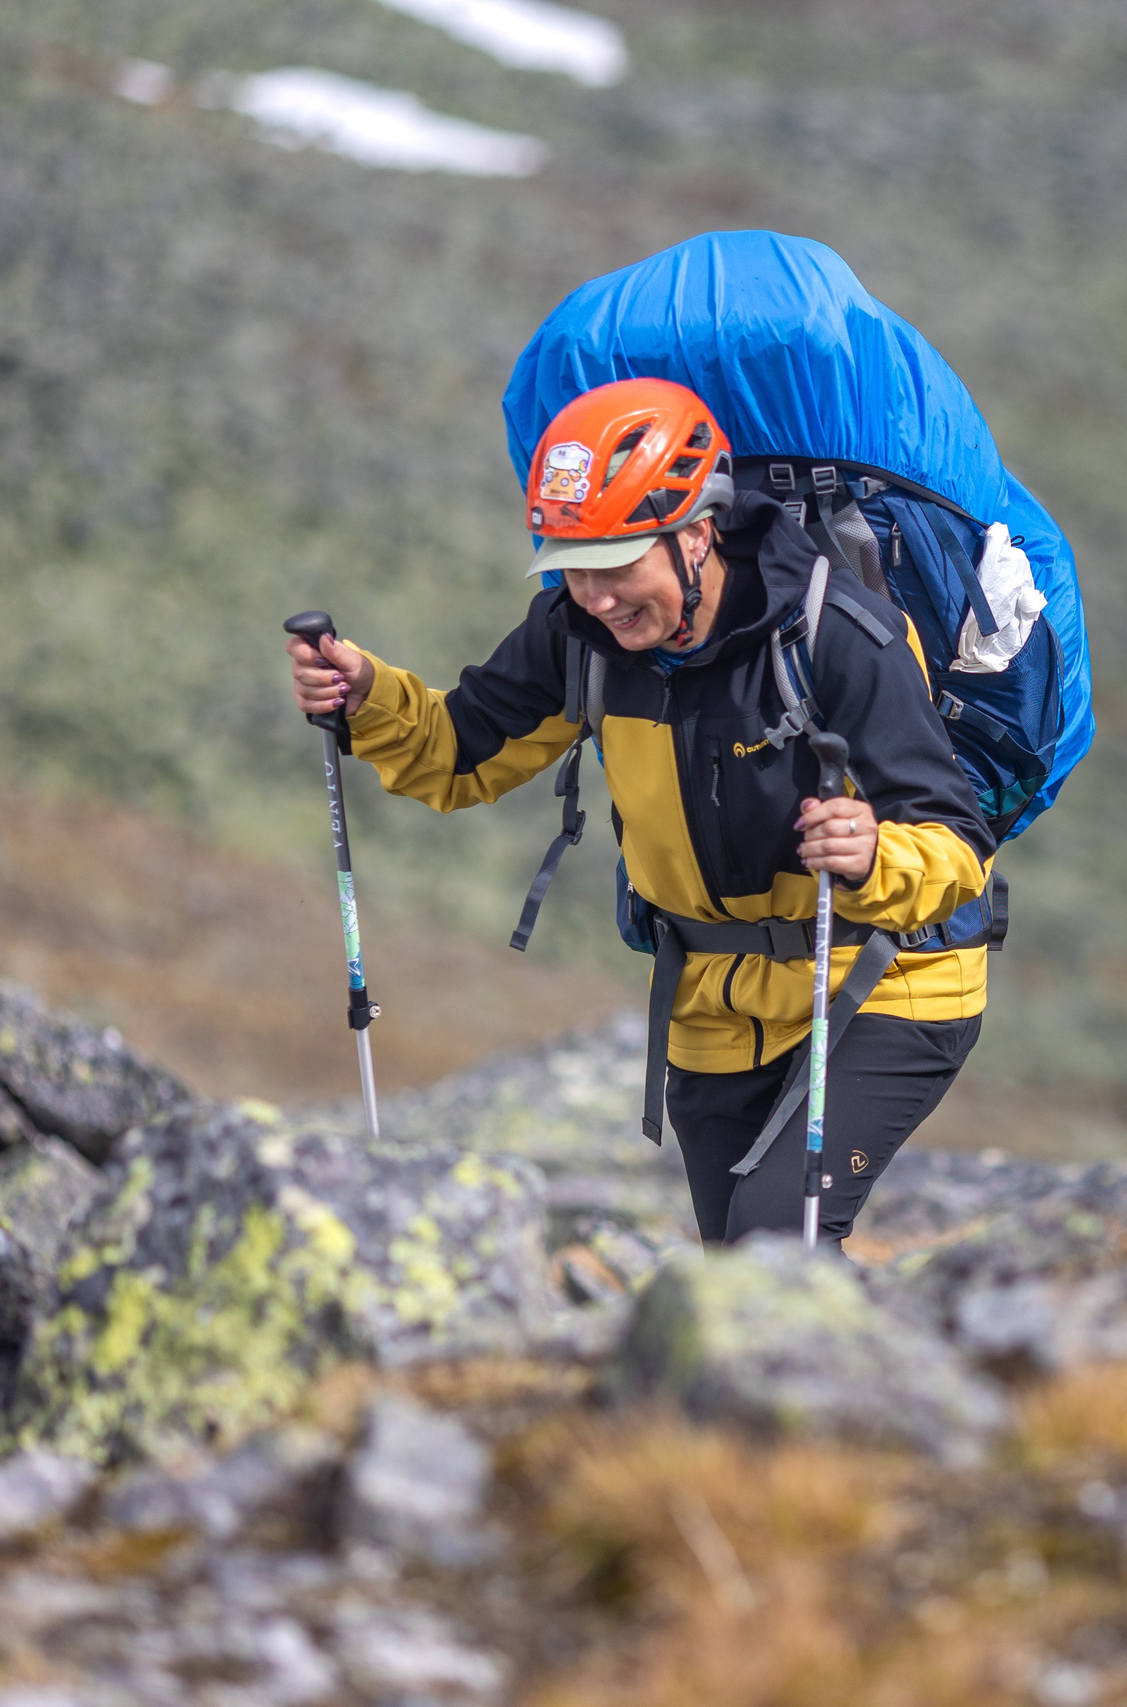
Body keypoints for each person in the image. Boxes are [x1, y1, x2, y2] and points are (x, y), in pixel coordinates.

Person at [284, 377, 994, 1245]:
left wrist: (872, 854)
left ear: (696, 533)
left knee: (776, 1240)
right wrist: (365, 697)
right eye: (571, 572)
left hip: (882, 980)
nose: (597, 597)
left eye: (618, 567)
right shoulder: (578, 636)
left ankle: (897, 1379)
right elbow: (456, 753)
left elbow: (958, 839)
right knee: (735, 1260)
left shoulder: (835, 633)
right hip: (714, 1007)